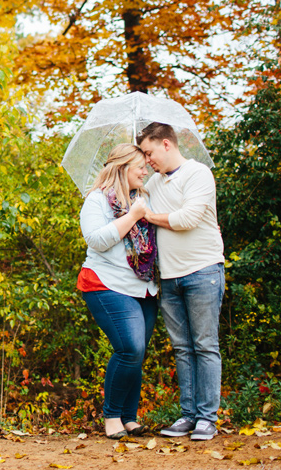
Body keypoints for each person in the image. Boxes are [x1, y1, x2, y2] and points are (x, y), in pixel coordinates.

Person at [136, 122, 225, 441]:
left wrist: (147, 216)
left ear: (166, 144)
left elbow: (187, 219)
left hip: (203, 270)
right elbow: (132, 200)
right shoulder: (154, 184)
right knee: (182, 348)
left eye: (149, 152)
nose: (148, 161)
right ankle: (188, 416)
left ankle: (207, 419)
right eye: (144, 156)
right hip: (169, 277)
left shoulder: (198, 174)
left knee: (205, 345)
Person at [77, 143, 159, 439]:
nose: (145, 170)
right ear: (123, 168)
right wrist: (133, 216)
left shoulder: (144, 198)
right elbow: (97, 240)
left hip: (144, 287)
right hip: (106, 283)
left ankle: (129, 417)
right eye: (139, 166)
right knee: (130, 348)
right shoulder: (97, 200)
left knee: (136, 353)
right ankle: (111, 416)